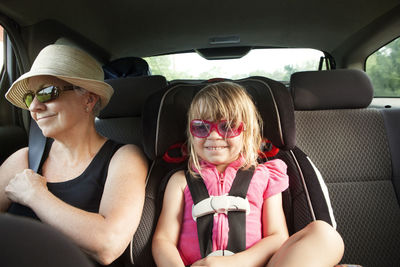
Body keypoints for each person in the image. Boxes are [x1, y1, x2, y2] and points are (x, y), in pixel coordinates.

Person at [152, 82, 344, 267]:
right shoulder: (180, 181)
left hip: (254, 264)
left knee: (324, 233)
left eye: (227, 127)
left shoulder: (266, 176)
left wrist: (235, 263)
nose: (213, 136)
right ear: (191, 134)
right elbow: (163, 240)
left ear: (248, 133)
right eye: (201, 127)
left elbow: (277, 237)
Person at [0, 44, 148, 266]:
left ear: (88, 100)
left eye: (47, 92)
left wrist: (35, 194)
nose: (35, 107)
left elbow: (108, 244)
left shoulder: (124, 158)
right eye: (31, 97)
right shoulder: (23, 159)